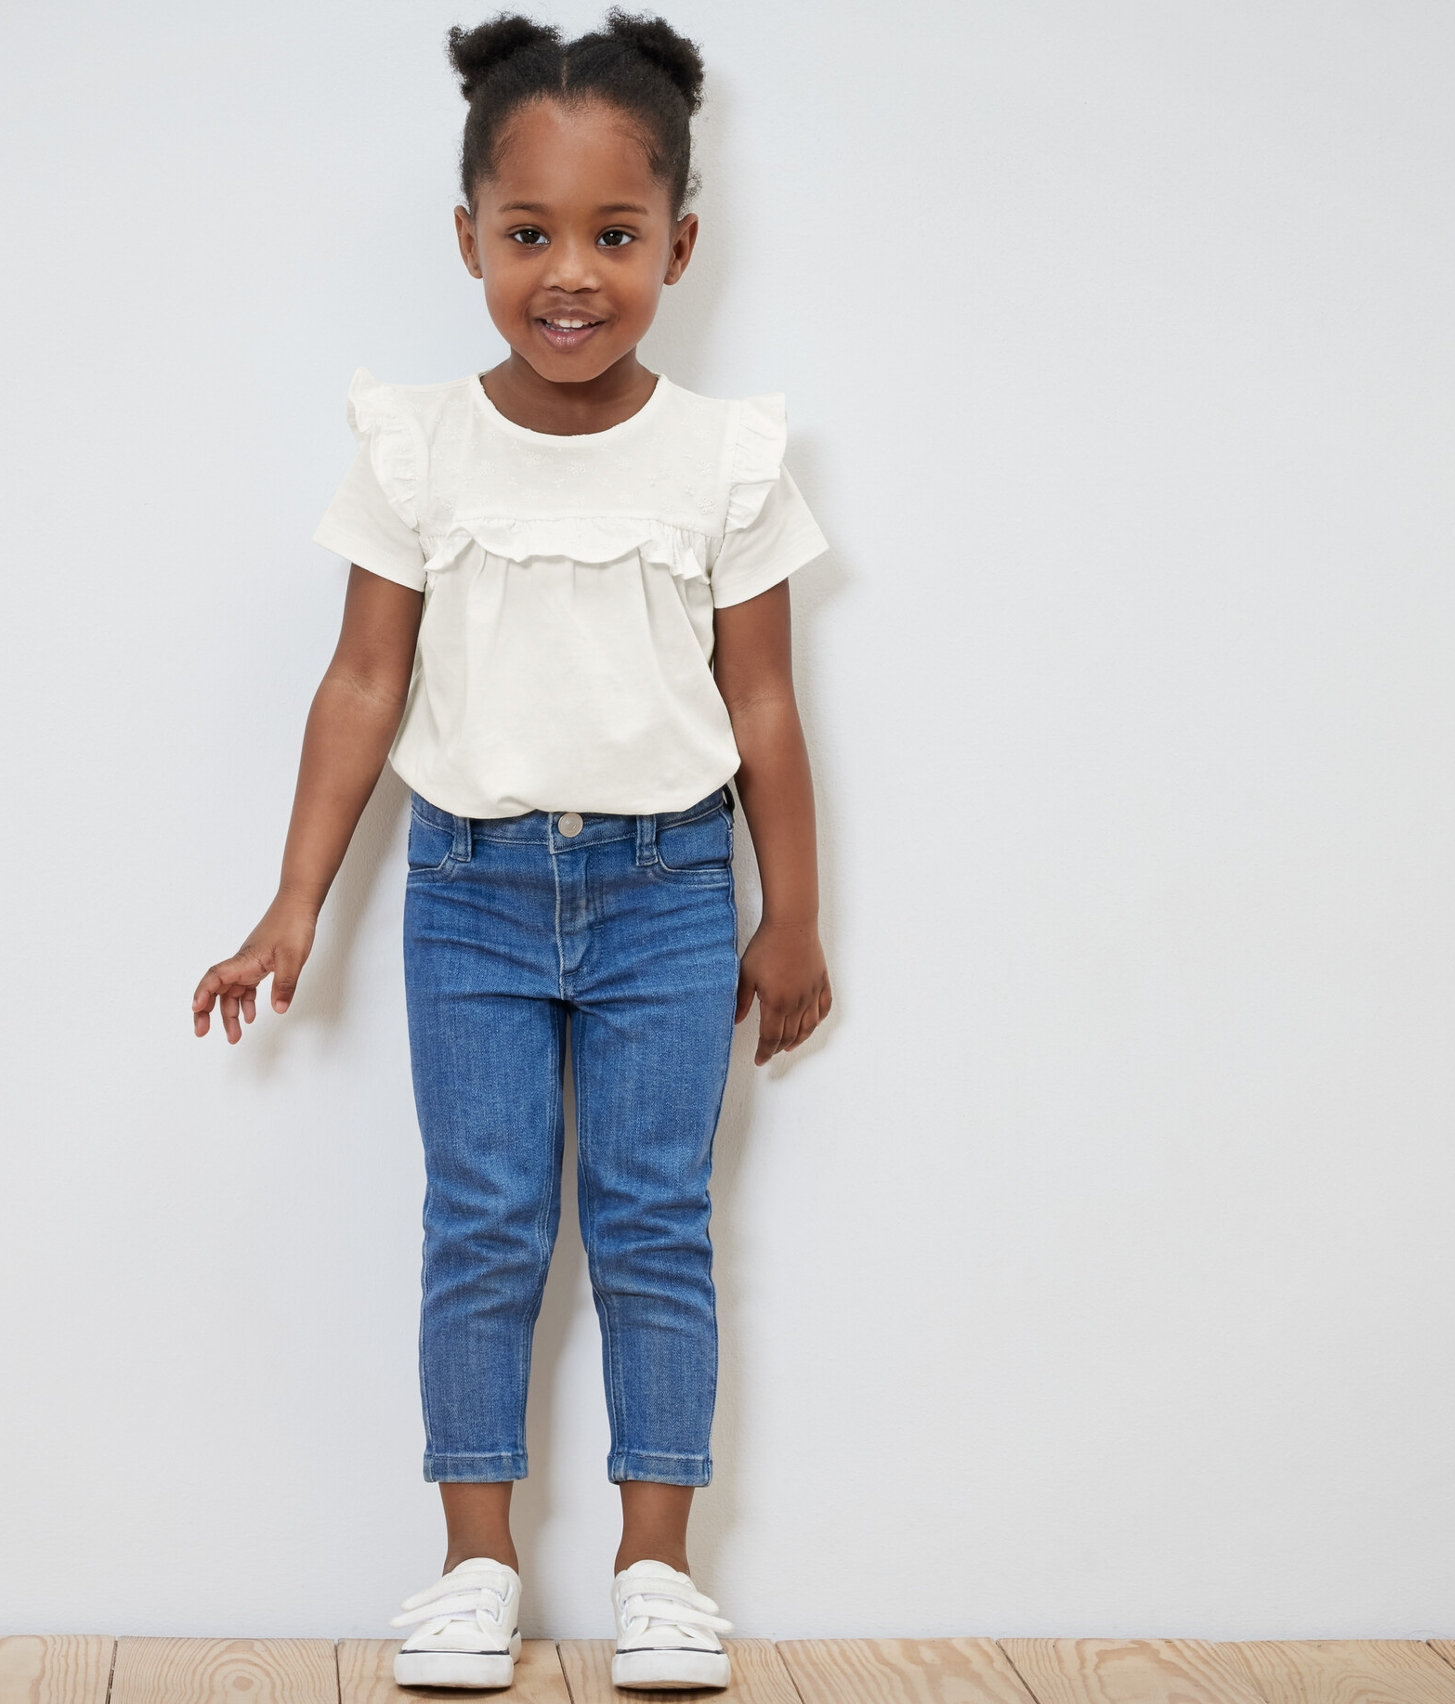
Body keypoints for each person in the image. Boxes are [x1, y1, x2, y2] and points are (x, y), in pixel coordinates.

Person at [192, 10, 833, 1690]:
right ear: (469, 236)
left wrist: (791, 915)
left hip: (669, 896)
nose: (570, 275)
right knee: (480, 1220)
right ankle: (473, 1564)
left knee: (652, 1225)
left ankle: (658, 1570)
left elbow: (764, 703)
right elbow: (362, 681)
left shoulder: (722, 457)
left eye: (614, 236)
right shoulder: (417, 446)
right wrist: (291, 903)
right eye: (529, 232)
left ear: (677, 245)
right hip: (469, 892)